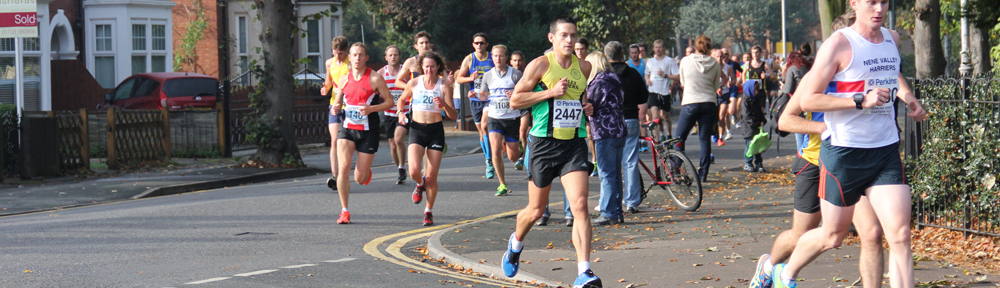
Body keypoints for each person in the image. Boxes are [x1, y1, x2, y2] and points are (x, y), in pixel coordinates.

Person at [770, 0, 928, 287]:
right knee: (833, 236)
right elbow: (808, 99)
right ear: (854, 3)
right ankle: (785, 273)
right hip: (844, 154)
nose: (879, 8)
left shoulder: (892, 39)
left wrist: (909, 97)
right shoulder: (837, 45)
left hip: (884, 152)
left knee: (900, 235)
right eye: (872, 2)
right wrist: (860, 100)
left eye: (884, 2)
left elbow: (890, 72)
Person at [750, 14, 884, 288]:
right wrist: (823, 127)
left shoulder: (868, 72)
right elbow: (785, 121)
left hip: (854, 162)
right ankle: (769, 267)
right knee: (803, 234)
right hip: (815, 162)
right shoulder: (815, 77)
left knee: (870, 233)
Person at [502, 16, 601, 288]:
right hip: (544, 146)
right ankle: (515, 243)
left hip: (573, 143)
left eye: (573, 35)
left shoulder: (585, 66)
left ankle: (584, 272)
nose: (569, 40)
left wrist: (586, 106)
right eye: (564, 35)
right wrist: (549, 93)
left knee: (580, 205)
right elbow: (515, 100)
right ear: (552, 38)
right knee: (536, 210)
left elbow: (579, 97)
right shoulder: (541, 65)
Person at [329, 43, 395, 224]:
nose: (357, 58)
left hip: (368, 132)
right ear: (349, 57)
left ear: (366, 58)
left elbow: (389, 102)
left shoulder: (375, 78)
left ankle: (365, 172)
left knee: (359, 178)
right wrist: (336, 108)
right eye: (354, 55)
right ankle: (344, 211)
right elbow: (339, 102)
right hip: (348, 129)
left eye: (361, 55)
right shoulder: (343, 79)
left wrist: (372, 108)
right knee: (343, 168)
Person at [400, 51, 457, 226]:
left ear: (438, 67)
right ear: (421, 67)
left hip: (435, 131)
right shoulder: (414, 83)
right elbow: (401, 100)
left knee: (432, 176)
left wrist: (444, 104)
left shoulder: (444, 86)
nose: (429, 70)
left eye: (432, 66)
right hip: (417, 129)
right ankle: (419, 183)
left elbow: (454, 115)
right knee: (414, 171)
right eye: (426, 66)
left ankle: (428, 211)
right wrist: (400, 113)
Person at [585, 49, 627, 226]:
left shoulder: (597, 83)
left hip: (604, 130)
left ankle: (608, 212)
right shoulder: (615, 80)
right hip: (619, 129)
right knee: (616, 173)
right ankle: (616, 211)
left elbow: (590, 106)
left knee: (606, 174)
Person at [608, 42, 650, 216]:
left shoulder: (606, 75)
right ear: (623, 54)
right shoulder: (633, 73)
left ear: (607, 56)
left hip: (612, 120)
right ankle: (632, 202)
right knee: (630, 161)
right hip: (631, 118)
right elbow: (643, 96)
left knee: (612, 163)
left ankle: (613, 200)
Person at [477, 45, 523, 196]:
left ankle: (519, 149)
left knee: (513, 157)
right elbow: (484, 95)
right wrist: (475, 94)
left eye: (501, 56)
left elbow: (524, 92)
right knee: (495, 149)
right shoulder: (488, 75)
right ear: (492, 57)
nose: (498, 59)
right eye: (495, 56)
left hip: (511, 118)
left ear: (506, 57)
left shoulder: (515, 74)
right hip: (494, 117)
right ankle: (502, 184)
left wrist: (514, 96)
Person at [676, 35, 721, 182]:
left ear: (695, 47)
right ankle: (703, 173)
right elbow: (716, 85)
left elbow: (682, 81)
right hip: (709, 102)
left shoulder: (685, 61)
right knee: (704, 139)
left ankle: (677, 169)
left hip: (690, 101)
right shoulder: (714, 63)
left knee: (679, 138)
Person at [457, 33, 497, 180]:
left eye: (482, 43)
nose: (479, 45)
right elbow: (459, 78)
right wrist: (470, 78)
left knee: (485, 126)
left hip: (490, 98)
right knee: (481, 131)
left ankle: (489, 160)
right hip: (475, 99)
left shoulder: (493, 57)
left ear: (487, 44)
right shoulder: (469, 59)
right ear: (473, 44)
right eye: (476, 43)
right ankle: (488, 159)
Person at [320, 36, 350, 191]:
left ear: (346, 50)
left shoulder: (351, 63)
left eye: (341, 53)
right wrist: (325, 88)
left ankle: (346, 172)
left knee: (347, 141)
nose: (338, 56)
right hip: (334, 106)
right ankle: (335, 176)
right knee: (335, 140)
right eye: (335, 53)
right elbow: (329, 81)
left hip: (350, 106)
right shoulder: (329, 63)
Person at [379, 45, 409, 185]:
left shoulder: (406, 71)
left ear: (399, 56)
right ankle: (399, 170)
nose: (393, 57)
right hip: (389, 113)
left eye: (395, 54)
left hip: (404, 112)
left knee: (398, 140)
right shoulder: (381, 73)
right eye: (390, 55)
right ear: (386, 58)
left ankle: (402, 166)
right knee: (392, 145)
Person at [711, 49, 732, 147]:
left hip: (724, 94)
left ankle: (720, 137)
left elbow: (727, 78)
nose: (719, 59)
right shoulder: (711, 67)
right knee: (713, 117)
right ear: (714, 57)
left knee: (721, 117)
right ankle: (714, 133)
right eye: (717, 57)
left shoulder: (728, 67)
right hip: (712, 94)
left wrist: (723, 86)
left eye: (721, 56)